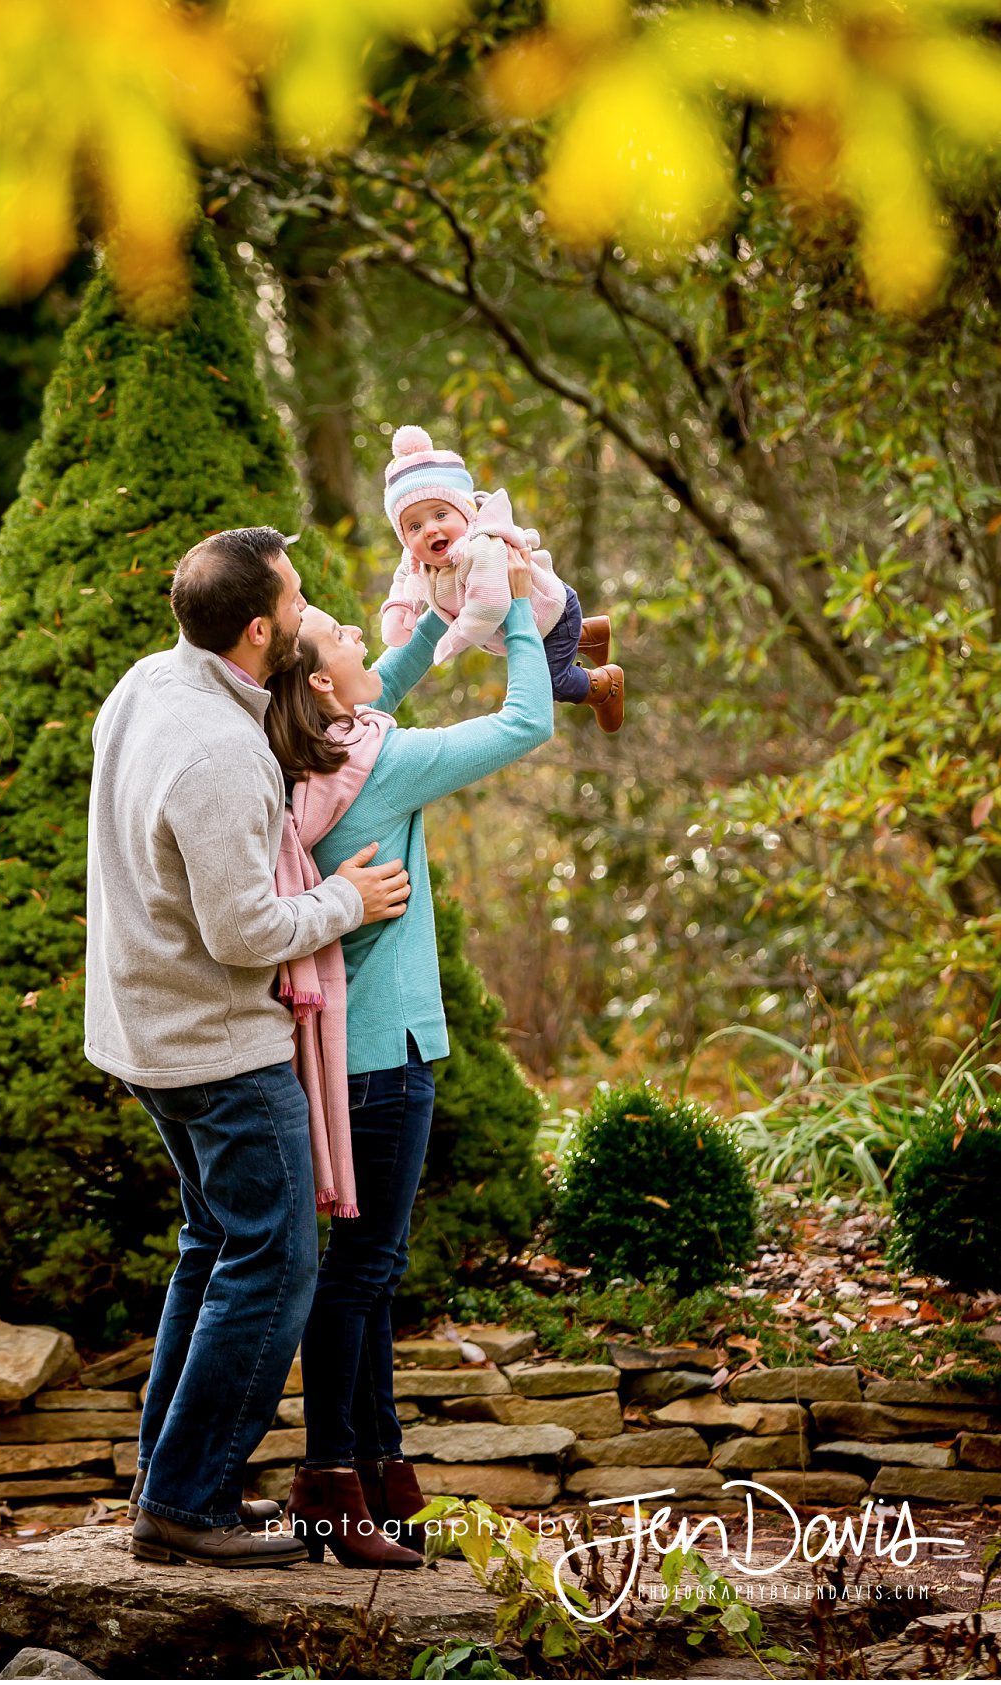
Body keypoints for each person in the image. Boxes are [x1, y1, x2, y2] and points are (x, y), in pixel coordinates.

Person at [84, 525, 412, 1568]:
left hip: (143, 1030)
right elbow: (244, 933)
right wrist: (344, 900)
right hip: (218, 1046)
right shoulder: (222, 753)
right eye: (299, 596)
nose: (313, 610)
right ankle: (191, 1504)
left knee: (214, 1245)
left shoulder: (148, 683)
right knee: (278, 1261)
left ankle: (170, 1484)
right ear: (260, 627)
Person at [264, 546, 552, 1564]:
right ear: (318, 685)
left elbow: (375, 686)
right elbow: (529, 722)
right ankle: (330, 1477)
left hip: (351, 1052)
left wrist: (434, 621)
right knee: (362, 1275)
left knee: (367, 1274)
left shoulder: (309, 759)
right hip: (383, 1056)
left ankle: (379, 1469)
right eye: (342, 633)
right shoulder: (377, 762)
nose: (358, 636)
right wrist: (516, 613)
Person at [378, 425, 625, 730]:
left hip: (552, 615)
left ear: (465, 512)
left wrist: (451, 641)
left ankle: (603, 685)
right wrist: (398, 609)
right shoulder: (418, 557)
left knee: (549, 682)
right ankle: (592, 634)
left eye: (440, 515)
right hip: (529, 621)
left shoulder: (480, 550)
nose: (428, 529)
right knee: (540, 649)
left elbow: (489, 606)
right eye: (413, 527)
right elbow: (404, 577)